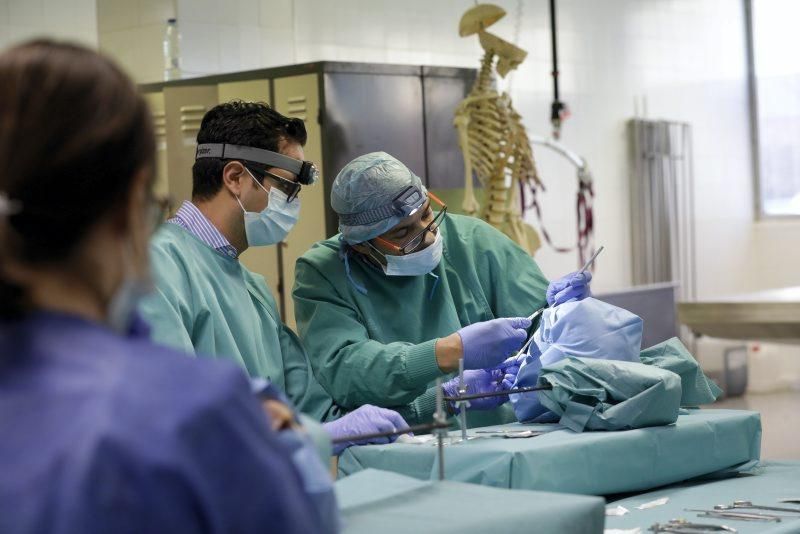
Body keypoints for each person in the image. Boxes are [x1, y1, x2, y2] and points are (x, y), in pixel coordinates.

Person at [0, 40, 338, 533]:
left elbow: (302, 397)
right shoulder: (188, 409)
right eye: (287, 188)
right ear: (128, 208)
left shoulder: (248, 285)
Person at [139, 101, 407, 450]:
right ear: (235, 177)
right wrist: (313, 436)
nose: (293, 202)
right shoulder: (157, 267)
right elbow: (178, 412)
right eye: (287, 188)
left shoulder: (253, 289)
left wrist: (436, 398)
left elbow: (311, 407)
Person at [293, 152, 592, 426]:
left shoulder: (473, 241)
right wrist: (448, 353)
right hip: (402, 445)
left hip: (502, 434)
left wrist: (565, 313)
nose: (426, 237)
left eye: (426, 214)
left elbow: (553, 343)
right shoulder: (323, 272)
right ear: (361, 244)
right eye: (402, 233)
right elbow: (349, 373)